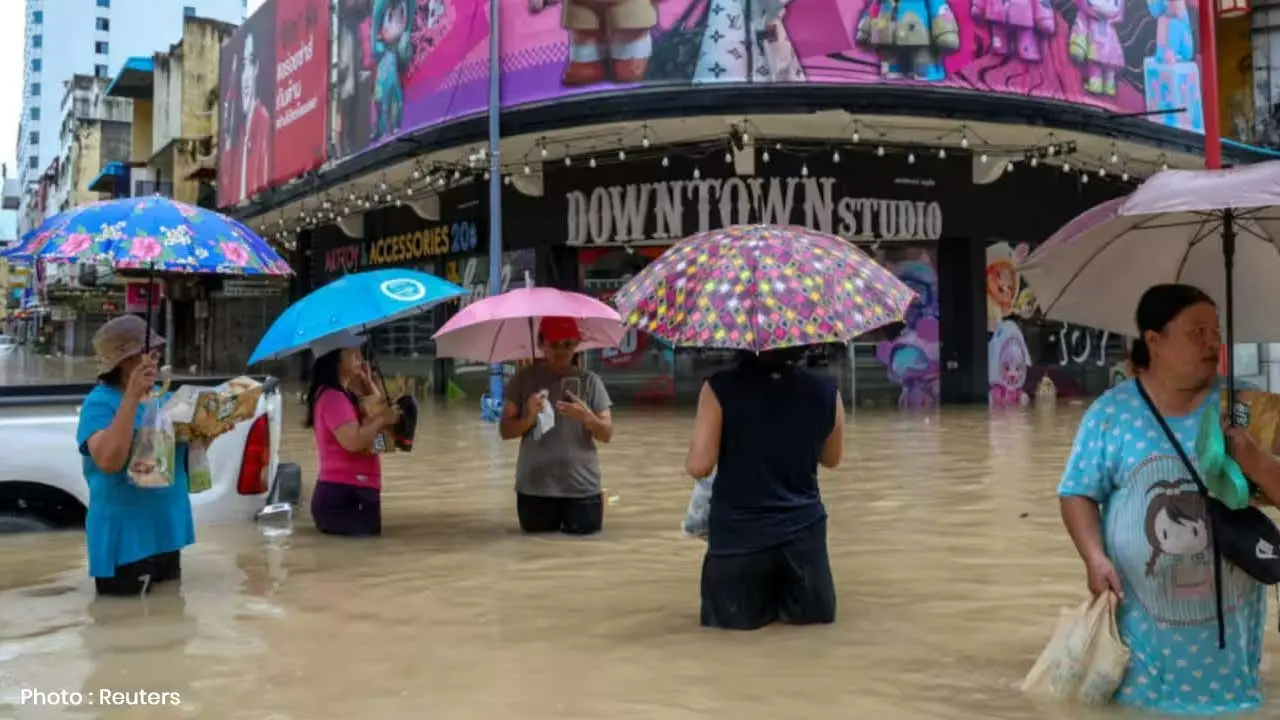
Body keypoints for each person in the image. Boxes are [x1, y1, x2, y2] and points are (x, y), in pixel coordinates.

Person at [1059, 283, 1277, 714]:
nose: (1212, 343)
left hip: (1229, 635)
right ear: (1154, 340)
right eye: (1197, 332)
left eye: (1216, 331)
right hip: (1140, 632)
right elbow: (1077, 492)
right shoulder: (1112, 412)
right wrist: (1094, 559)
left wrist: (1253, 458)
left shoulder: (1247, 407)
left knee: (1231, 708)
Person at [686, 347, 845, 630]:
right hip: (804, 542)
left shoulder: (718, 388)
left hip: (738, 541)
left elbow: (700, 466)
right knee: (807, 641)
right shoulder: (826, 390)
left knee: (729, 644)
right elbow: (832, 458)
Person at [77, 315, 193, 596]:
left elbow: (181, 461)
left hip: (165, 525)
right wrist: (131, 397)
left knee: (170, 612)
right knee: (122, 616)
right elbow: (108, 461)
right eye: (148, 353)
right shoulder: (99, 403)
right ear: (125, 361)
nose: (156, 358)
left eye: (157, 353)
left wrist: (207, 433)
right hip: (125, 531)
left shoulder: (166, 400)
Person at [499, 316, 614, 535]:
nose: (561, 351)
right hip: (535, 487)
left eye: (567, 344)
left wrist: (587, 417)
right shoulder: (523, 380)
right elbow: (505, 431)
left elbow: (607, 434)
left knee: (585, 550)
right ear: (541, 343)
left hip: (582, 487)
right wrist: (529, 418)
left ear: (576, 344)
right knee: (536, 550)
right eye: (554, 344)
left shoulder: (591, 381)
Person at [304, 331, 401, 537]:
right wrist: (382, 419)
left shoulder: (345, 395)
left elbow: (378, 437)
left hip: (357, 490)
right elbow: (354, 441)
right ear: (337, 360)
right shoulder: (332, 397)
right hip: (344, 493)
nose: (360, 359)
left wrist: (368, 383)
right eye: (353, 354)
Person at [226, 29, 270, 204]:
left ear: (257, 67)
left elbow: (262, 178)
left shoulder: (262, 119)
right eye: (243, 65)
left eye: (250, 63)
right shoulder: (242, 129)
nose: (245, 79)